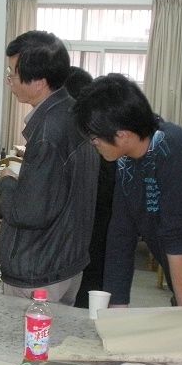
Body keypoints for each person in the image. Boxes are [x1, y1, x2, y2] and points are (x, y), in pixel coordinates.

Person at [73, 73, 182, 307]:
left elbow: (177, 245)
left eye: (95, 138)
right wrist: (116, 312)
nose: (93, 143)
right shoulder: (126, 161)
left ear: (123, 134)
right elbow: (120, 236)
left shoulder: (176, 151)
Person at [0, 31, 99, 304]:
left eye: (13, 73)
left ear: (39, 82)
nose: (9, 81)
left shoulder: (47, 132)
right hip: (64, 262)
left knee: (28, 333)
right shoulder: (73, 112)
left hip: (39, 269)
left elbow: (27, 212)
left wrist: (7, 180)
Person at [65, 67, 116, 309]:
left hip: (94, 231)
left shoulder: (95, 139)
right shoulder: (94, 135)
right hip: (97, 231)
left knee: (88, 294)